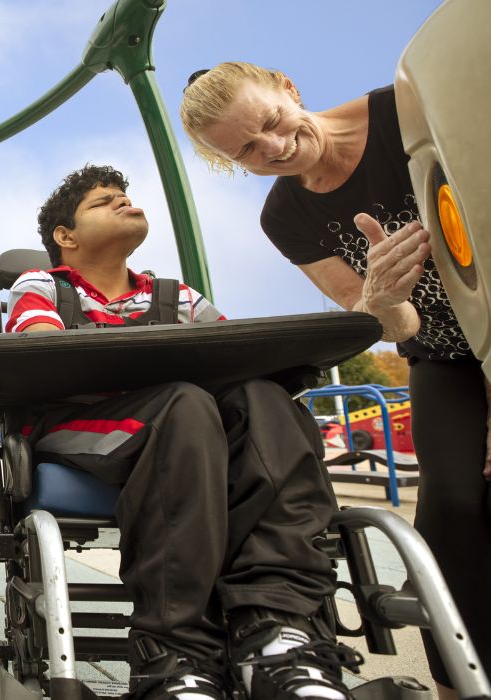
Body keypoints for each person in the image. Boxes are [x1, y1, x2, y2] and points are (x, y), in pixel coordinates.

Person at [180, 63, 489, 695]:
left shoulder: (406, 109)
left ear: (288, 87)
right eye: (244, 151)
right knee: (452, 507)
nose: (272, 149)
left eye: (269, 122)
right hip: (444, 357)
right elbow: (393, 328)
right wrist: (382, 298)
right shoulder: (285, 217)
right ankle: (463, 681)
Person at [6, 165, 359, 699]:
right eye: (105, 202)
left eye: (127, 196)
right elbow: (40, 349)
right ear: (66, 236)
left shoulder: (179, 298)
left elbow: (241, 358)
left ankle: (276, 630)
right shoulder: (43, 286)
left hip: (178, 425)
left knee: (263, 399)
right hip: (80, 428)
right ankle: (176, 648)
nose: (125, 203)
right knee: (188, 404)